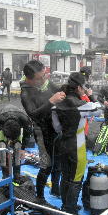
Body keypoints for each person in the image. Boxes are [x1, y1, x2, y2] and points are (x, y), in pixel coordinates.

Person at [52, 72, 102, 215]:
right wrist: (90, 95)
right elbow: (98, 110)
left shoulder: (56, 105)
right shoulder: (83, 105)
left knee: (65, 175)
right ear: (79, 88)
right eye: (84, 86)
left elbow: (57, 128)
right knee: (76, 178)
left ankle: (65, 205)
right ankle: (71, 211)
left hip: (62, 143)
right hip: (77, 145)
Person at [21, 60, 65, 205]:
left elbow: (60, 89)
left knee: (58, 161)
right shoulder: (25, 92)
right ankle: (39, 197)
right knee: (46, 165)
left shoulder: (45, 83)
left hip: (54, 128)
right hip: (41, 132)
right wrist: (51, 101)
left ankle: (55, 188)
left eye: (44, 75)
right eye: (39, 78)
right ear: (29, 78)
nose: (43, 80)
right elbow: (33, 114)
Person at [0, 104, 33, 181]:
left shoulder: (25, 120)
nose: (10, 141)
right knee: (2, 147)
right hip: (3, 122)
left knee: (18, 147)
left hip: (17, 123)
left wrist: (23, 149)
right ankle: (5, 175)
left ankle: (17, 174)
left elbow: (27, 135)